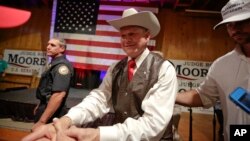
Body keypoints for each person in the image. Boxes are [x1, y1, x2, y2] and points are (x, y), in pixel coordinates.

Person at [22, 8, 178, 141]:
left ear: (148, 36)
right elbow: (99, 99)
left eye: (132, 34)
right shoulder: (116, 67)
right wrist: (68, 119)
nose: (126, 40)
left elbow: (153, 125)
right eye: (123, 35)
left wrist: (97, 134)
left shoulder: (164, 69)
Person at [175, 0, 250, 141]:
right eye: (229, 25)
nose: (234, 30)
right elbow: (203, 96)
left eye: (241, 22)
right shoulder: (221, 64)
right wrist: (168, 96)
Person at [32, 38, 74, 131]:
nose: (48, 47)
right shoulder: (53, 64)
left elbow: (58, 95)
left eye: (52, 45)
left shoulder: (62, 66)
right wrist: (40, 104)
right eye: (48, 44)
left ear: (62, 49)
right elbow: (47, 88)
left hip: (53, 112)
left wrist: (42, 121)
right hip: (45, 107)